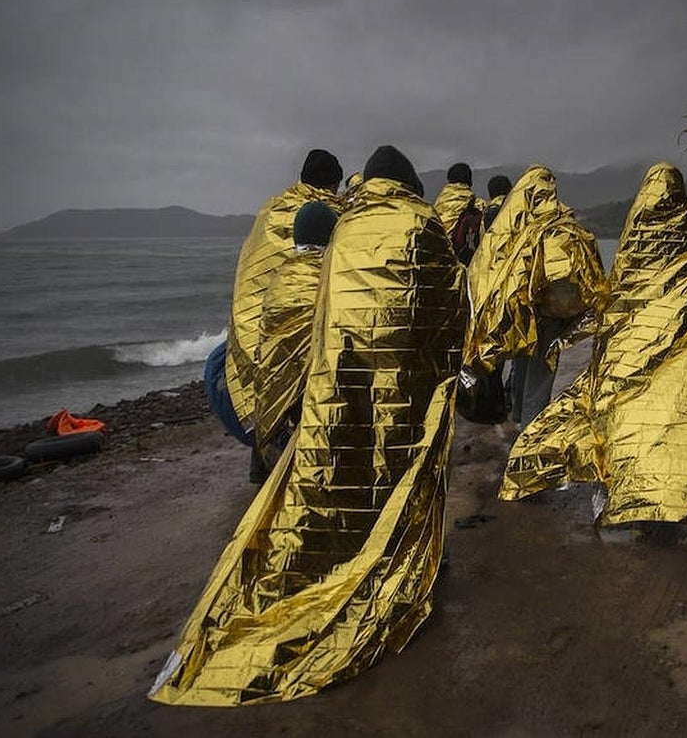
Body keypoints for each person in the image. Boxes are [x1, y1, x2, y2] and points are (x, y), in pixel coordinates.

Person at [149, 145, 467, 706]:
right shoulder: (424, 224)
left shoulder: (333, 229)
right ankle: (409, 567)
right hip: (409, 386)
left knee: (347, 478)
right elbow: (448, 308)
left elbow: (319, 317)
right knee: (406, 476)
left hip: (340, 388)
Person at [501, 163, 687, 536]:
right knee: (675, 419)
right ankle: (669, 498)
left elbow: (620, 295)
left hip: (635, 352)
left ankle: (625, 492)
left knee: (627, 417)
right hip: (684, 353)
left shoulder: (637, 236)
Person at [218, 149, 343, 483]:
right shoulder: (328, 214)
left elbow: (251, 270)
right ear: (334, 184)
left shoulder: (270, 211)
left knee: (268, 384)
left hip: (262, 320)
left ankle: (262, 461)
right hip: (306, 323)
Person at [465, 165, 608, 430]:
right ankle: (530, 428)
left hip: (524, 308)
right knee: (541, 371)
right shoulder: (563, 222)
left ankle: (520, 415)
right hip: (553, 310)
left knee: (523, 360)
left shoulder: (516, 222)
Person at [250, 200, 341, 457]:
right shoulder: (334, 278)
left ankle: (261, 464)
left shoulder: (280, 280)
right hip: (318, 403)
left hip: (277, 404)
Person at [433, 162, 484, 265]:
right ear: (469, 179)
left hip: (437, 253)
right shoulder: (475, 204)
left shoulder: (439, 202)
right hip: (460, 256)